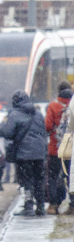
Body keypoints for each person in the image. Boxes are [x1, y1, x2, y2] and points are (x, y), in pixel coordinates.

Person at [0, 89, 50, 216]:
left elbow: (8, 133)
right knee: (39, 179)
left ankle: (28, 206)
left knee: (26, 180)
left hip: (24, 153)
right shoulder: (37, 113)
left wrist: (1, 127)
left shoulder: (14, 114)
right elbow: (43, 131)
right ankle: (41, 206)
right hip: (39, 152)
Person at [47, 83, 73, 213]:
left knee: (52, 176)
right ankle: (72, 205)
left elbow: (47, 125)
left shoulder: (53, 106)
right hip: (71, 148)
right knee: (70, 176)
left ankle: (53, 205)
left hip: (55, 148)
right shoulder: (72, 106)